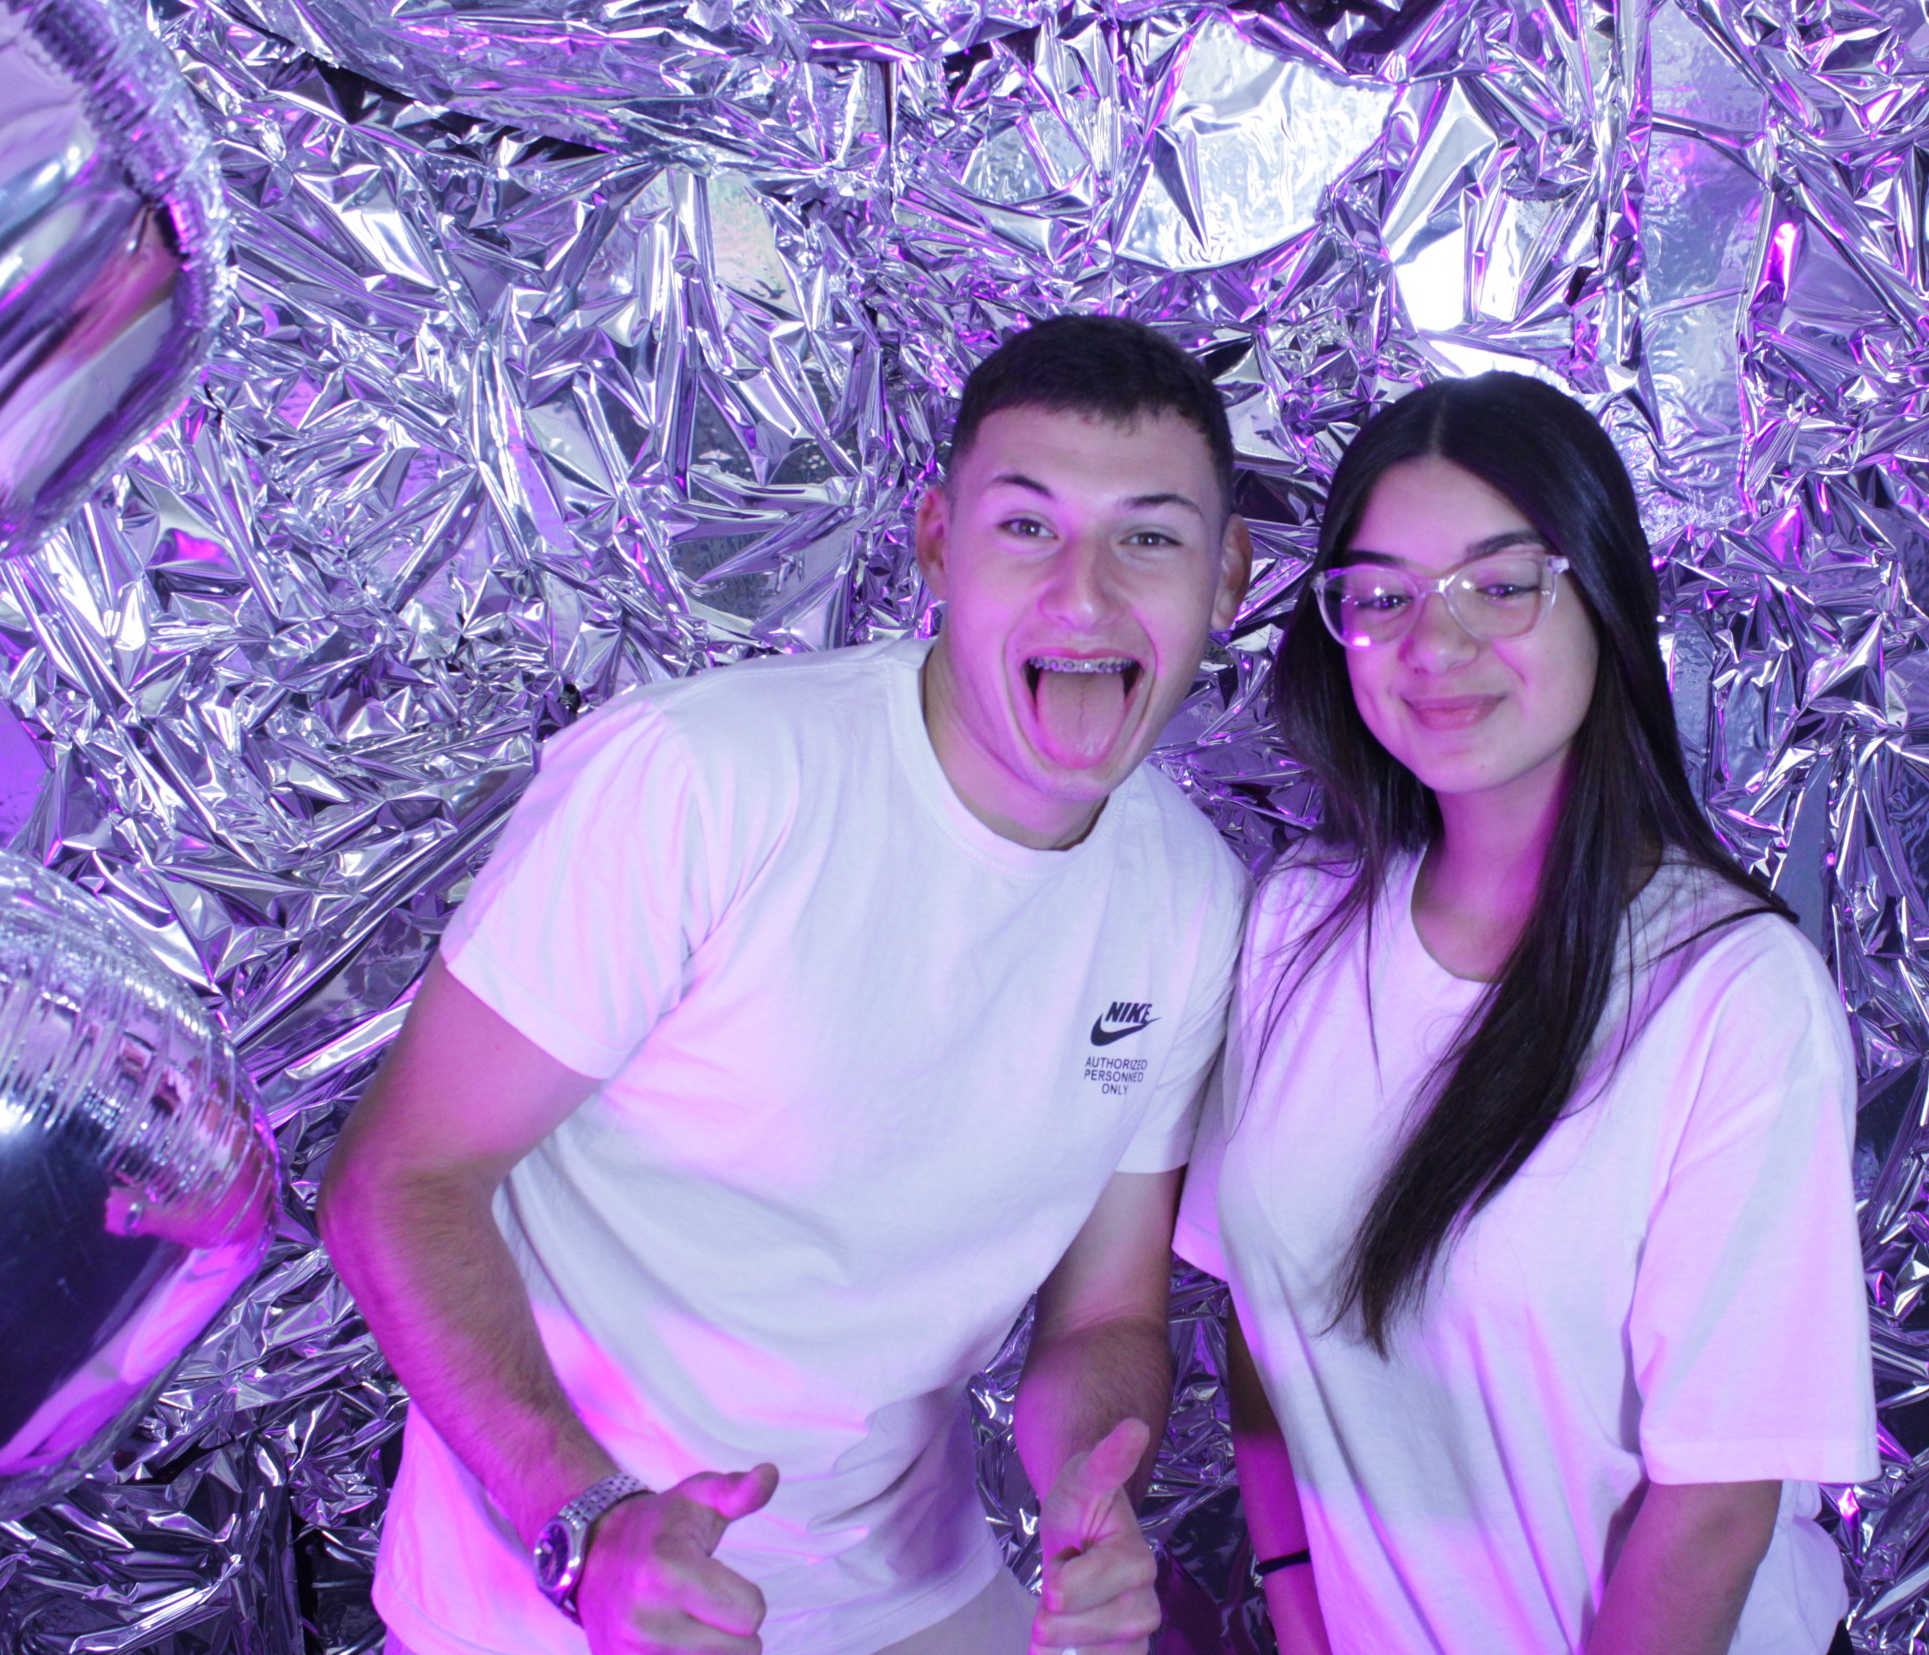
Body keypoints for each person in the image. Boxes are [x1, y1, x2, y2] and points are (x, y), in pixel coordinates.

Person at [321, 315, 1254, 1655]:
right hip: (565, 1591)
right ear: (937, 544)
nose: (1085, 595)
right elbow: (399, 1184)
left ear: (1228, 577)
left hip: (911, 1585)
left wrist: (1089, 1499)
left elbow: (1104, 1311)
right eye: (1026, 527)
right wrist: (586, 1525)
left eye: (1149, 539)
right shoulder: (702, 782)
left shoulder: (1192, 897)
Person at [1179, 374, 1876, 1655]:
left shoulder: (1729, 993)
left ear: (1602, 596)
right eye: (1382, 596)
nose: (1434, 644)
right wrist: (1296, 1599)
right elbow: (1258, 1306)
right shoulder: (1293, 928)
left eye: (1501, 586)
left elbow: (1716, 1508)